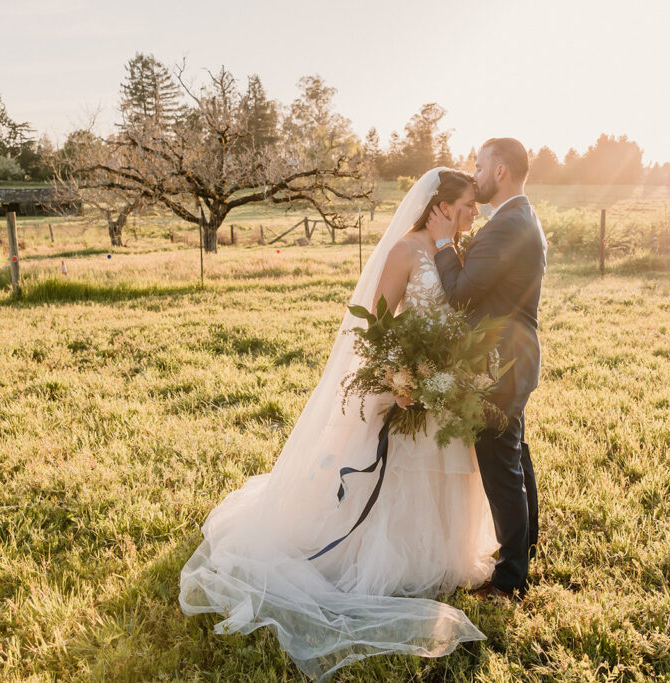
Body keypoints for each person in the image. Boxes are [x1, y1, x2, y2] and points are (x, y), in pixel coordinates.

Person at [179, 168, 499, 681]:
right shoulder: (406, 251)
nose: (473, 215)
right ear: (438, 205)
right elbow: (377, 325)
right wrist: (402, 376)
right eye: (465, 206)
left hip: (445, 386)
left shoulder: (453, 250)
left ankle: (440, 553)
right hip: (409, 384)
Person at [426, 137, 546, 597]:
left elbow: (460, 295)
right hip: (512, 356)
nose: (473, 176)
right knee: (514, 454)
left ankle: (511, 578)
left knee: (501, 465)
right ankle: (527, 542)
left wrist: (441, 243)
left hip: (500, 362)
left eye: (479, 167)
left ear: (500, 171)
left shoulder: (505, 226)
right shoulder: (520, 217)